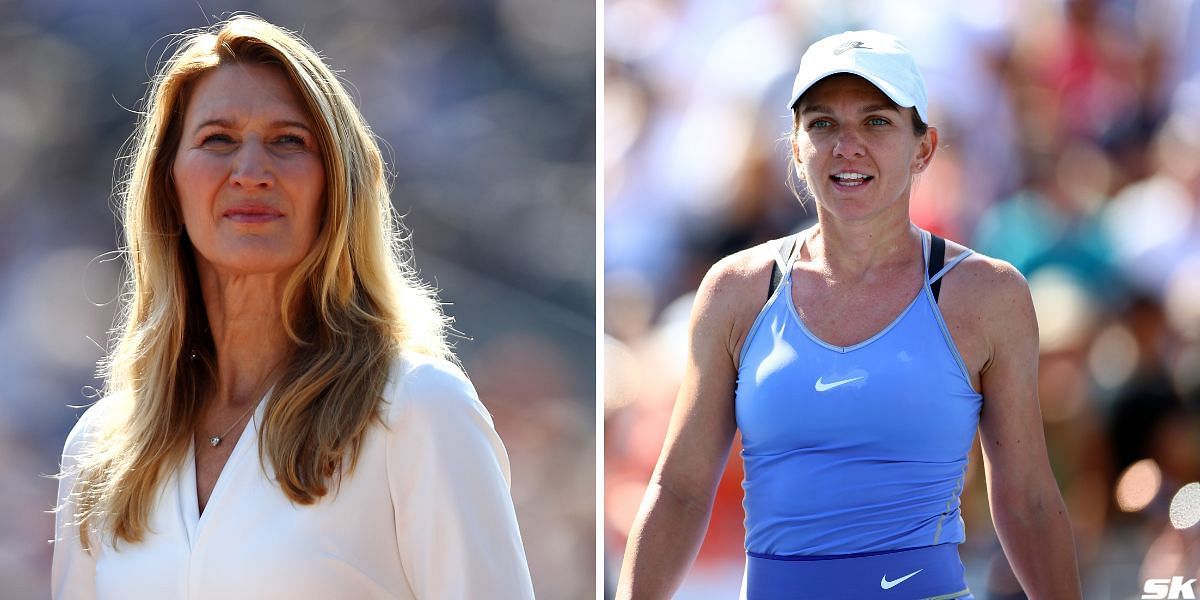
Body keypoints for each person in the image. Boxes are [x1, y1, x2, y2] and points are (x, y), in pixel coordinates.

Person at [51, 15, 535, 600]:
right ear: (168, 186)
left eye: (288, 141)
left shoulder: (418, 409)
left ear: (338, 186)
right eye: (217, 140)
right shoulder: (102, 448)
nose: (251, 172)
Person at [616, 30, 1081, 599]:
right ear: (795, 146)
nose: (847, 145)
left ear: (924, 147)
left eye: (877, 122)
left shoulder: (988, 295)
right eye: (822, 123)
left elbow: (1027, 500)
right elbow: (679, 490)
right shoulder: (735, 291)